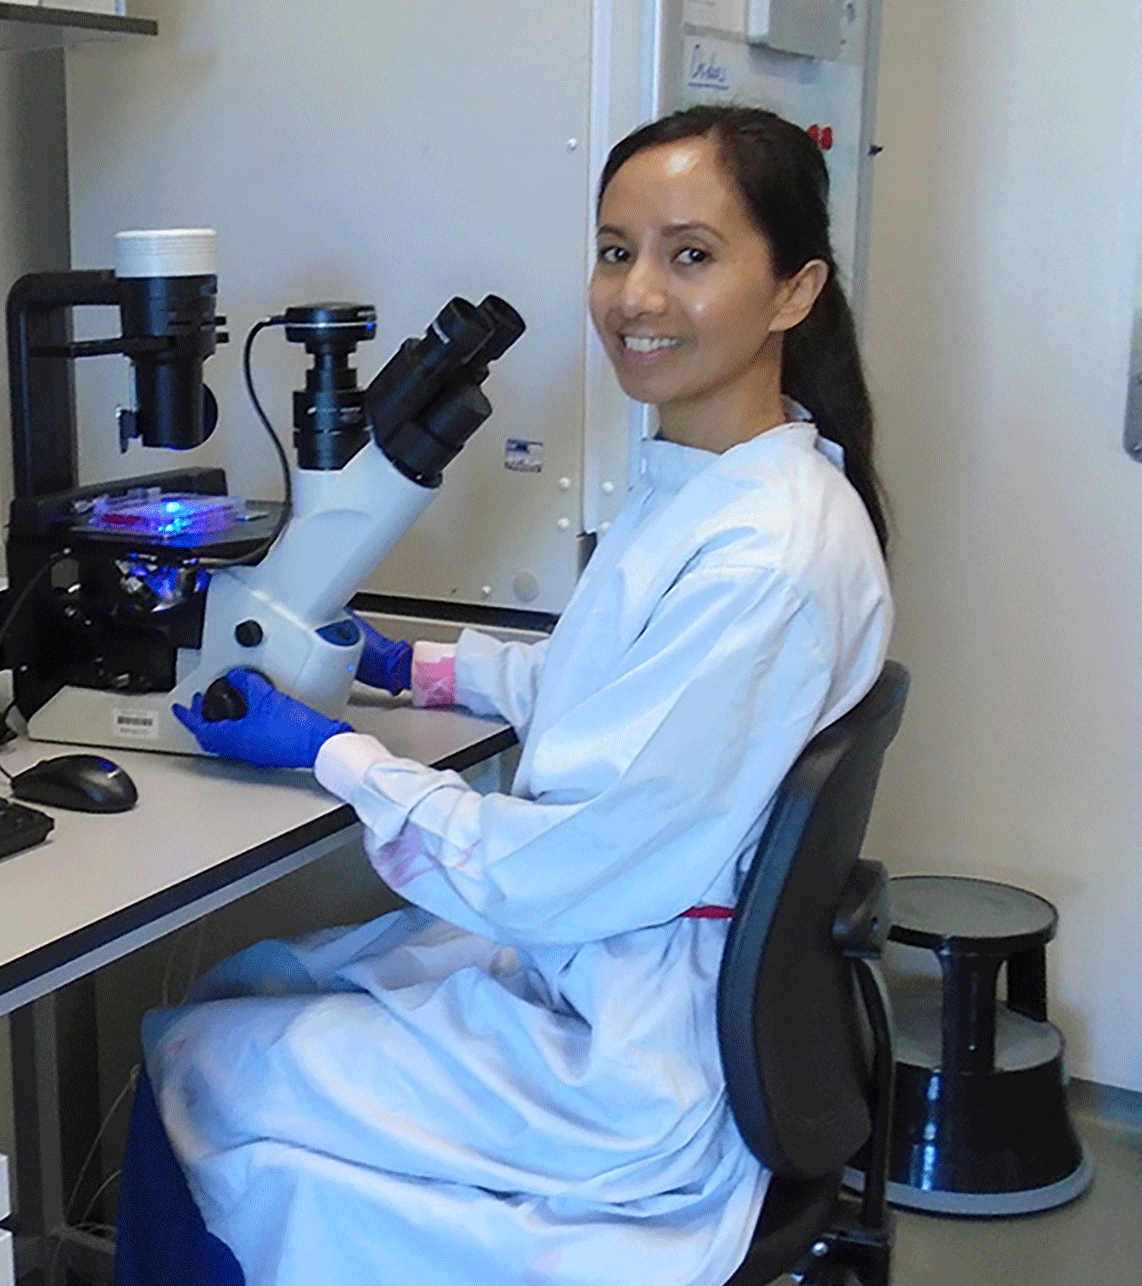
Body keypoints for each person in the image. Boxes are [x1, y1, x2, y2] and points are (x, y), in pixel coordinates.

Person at [125, 105, 896, 1286]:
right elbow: (613, 687)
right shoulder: (728, 480)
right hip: (617, 963)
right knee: (261, 976)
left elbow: (561, 865)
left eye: (691, 255)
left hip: (627, 1050)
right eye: (614, 249)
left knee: (193, 1052)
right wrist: (411, 666)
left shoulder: (766, 558)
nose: (637, 295)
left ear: (794, 291)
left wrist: (333, 751)